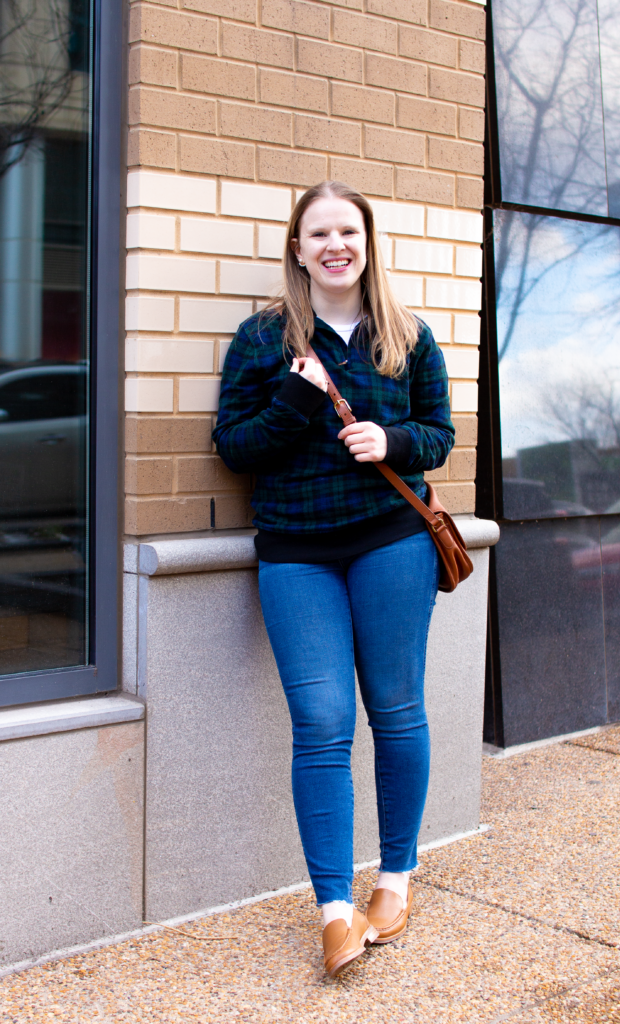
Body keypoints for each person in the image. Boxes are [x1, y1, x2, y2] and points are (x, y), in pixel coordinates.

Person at [213, 180, 455, 977]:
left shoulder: (407, 337)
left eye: (346, 230)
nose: (333, 245)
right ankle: (333, 908)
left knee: (395, 707)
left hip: (391, 543)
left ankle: (394, 877)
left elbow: (439, 435)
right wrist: (294, 397)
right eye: (317, 233)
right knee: (320, 723)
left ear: (366, 241)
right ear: (297, 249)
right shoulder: (262, 340)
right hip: (296, 554)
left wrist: (390, 442)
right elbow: (235, 448)